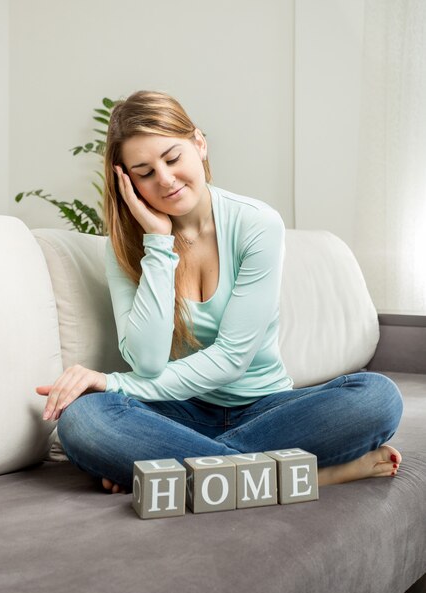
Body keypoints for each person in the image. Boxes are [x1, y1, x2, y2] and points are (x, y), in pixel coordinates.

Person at [36, 90, 403, 495]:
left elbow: (232, 358)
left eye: (172, 158)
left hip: (266, 410)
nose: (166, 180)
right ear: (127, 181)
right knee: (83, 419)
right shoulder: (124, 246)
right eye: (144, 172)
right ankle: (299, 475)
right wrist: (158, 246)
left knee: (377, 397)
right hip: (175, 414)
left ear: (199, 143)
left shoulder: (256, 224)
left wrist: (116, 388)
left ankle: (173, 475)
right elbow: (147, 360)